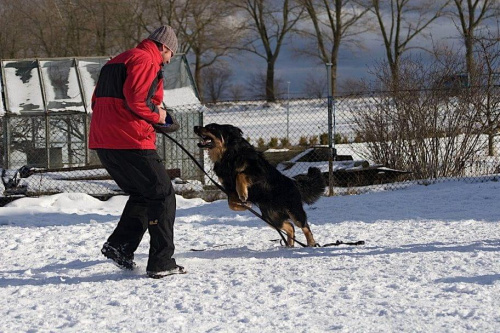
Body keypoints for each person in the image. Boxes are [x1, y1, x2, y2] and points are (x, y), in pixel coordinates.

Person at [89, 25, 185, 279]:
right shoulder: (145, 59)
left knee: (144, 194)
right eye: (170, 55)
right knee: (163, 194)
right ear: (164, 47)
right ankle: (161, 262)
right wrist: (159, 116)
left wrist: (155, 118)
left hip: (104, 140)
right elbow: (137, 100)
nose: (168, 61)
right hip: (130, 139)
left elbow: (96, 101)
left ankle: (120, 247)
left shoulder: (118, 60)